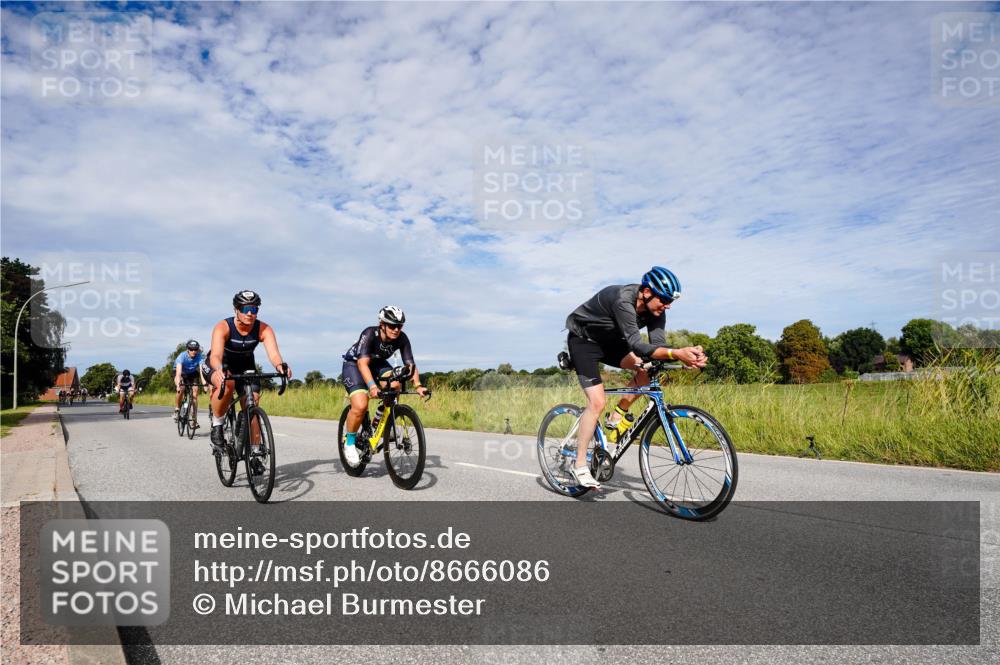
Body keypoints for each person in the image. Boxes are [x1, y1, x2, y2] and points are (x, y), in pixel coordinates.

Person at [563, 266, 707, 488]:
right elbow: (639, 345)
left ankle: (617, 416)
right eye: (665, 299)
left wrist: (684, 359)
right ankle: (579, 465)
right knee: (597, 402)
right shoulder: (623, 300)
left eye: (671, 301)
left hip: (611, 343)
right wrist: (677, 352)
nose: (668, 305)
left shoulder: (657, 311)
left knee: (647, 370)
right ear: (647, 292)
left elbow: (656, 348)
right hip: (584, 342)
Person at [205, 291, 291, 470]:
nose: (250, 313)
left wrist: (280, 366)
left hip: (245, 364)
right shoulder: (223, 327)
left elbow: (274, 354)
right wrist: (219, 369)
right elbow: (215, 355)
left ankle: (255, 452)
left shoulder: (263, 329)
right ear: (236, 309)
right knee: (226, 383)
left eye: (254, 309)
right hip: (220, 363)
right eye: (245, 309)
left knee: (253, 404)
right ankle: (217, 424)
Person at [340, 305, 429, 466]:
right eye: (393, 326)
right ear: (382, 324)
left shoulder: (402, 338)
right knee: (360, 405)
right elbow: (362, 363)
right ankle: (350, 442)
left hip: (377, 364)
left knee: (395, 385)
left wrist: (418, 385)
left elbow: (410, 365)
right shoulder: (370, 334)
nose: (397, 329)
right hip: (355, 364)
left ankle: (380, 420)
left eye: (400, 326)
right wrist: (372, 386)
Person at [173, 339, 204, 428]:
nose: (194, 351)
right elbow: (178, 373)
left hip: (192, 374)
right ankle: (177, 409)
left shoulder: (199, 356)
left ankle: (193, 420)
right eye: (191, 349)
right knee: (181, 388)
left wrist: (205, 384)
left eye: (196, 349)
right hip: (181, 372)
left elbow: (201, 372)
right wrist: (178, 385)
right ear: (187, 349)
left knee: (195, 394)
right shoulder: (182, 356)